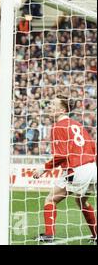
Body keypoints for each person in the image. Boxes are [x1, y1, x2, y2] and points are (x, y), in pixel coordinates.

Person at [33, 96, 97, 243]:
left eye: (53, 104)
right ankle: (96, 234)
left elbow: (61, 155)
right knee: (82, 201)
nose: (49, 106)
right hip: (92, 169)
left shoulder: (58, 126)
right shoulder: (77, 125)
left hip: (77, 169)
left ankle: (49, 235)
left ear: (62, 109)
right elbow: (94, 148)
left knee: (50, 199)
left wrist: (44, 168)